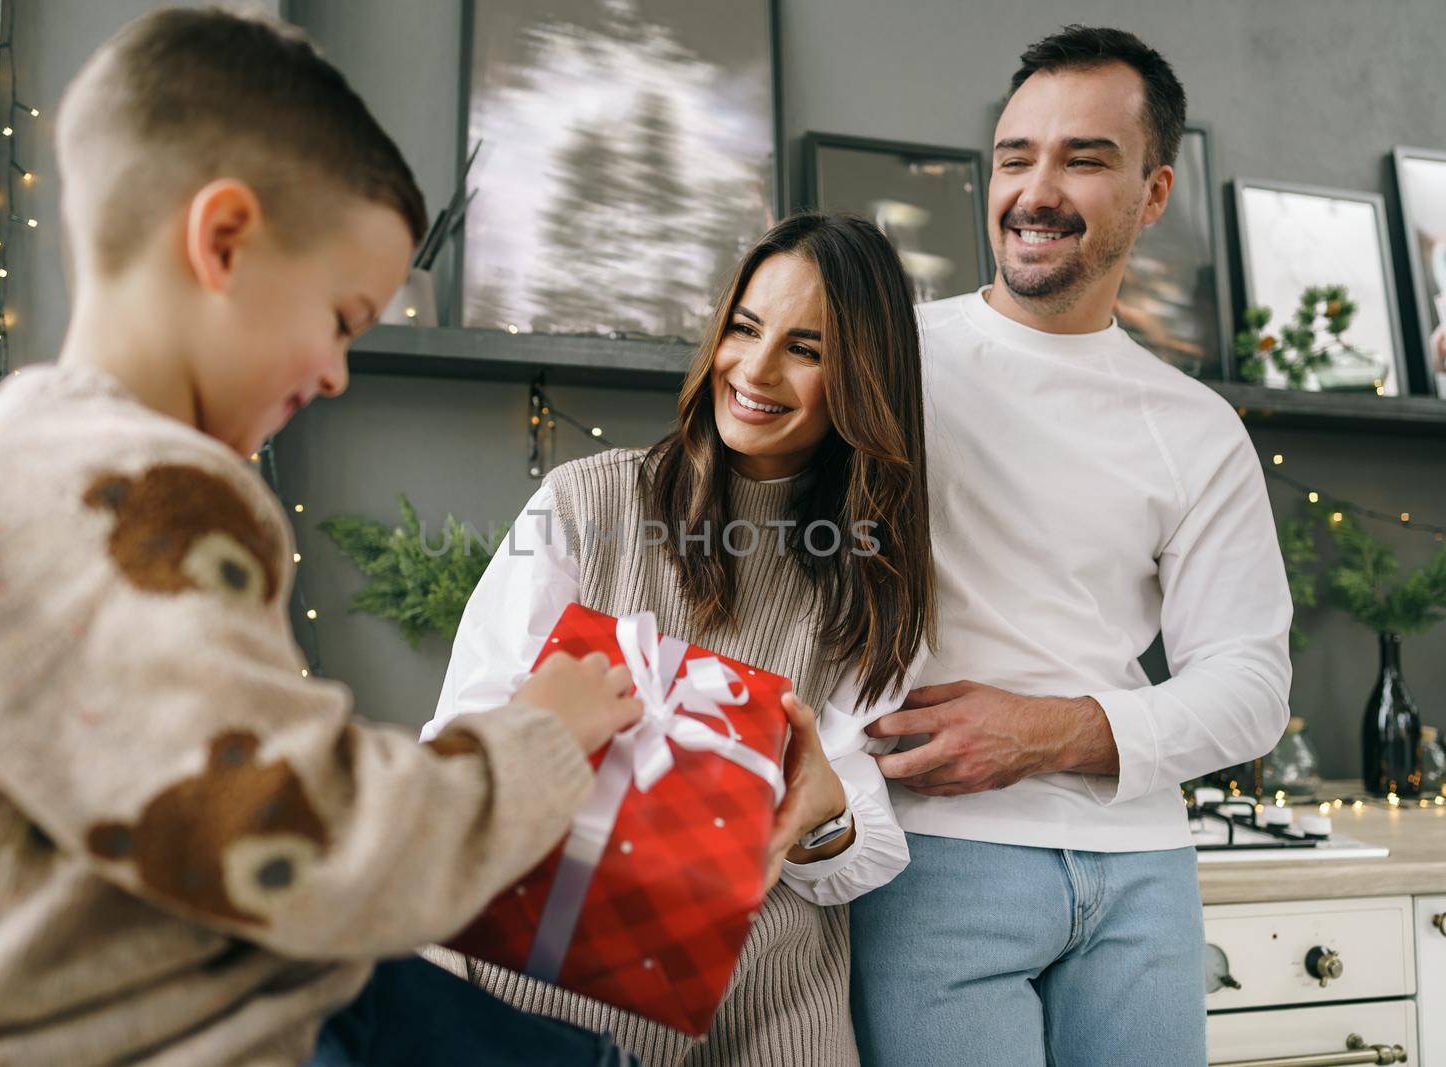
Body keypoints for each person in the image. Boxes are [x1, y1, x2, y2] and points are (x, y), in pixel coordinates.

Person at [0, 10, 644, 1066]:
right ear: (222, 241)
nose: (336, 371)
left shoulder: (34, 456)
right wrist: (542, 732)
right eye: (343, 316)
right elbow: (305, 841)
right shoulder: (127, 491)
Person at [850, 26, 1293, 1067]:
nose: (1035, 190)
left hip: (1145, 877)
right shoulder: (887, 362)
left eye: (1083, 158)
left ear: (1151, 192)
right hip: (932, 860)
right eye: (1015, 158)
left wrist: (1048, 731)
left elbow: (1250, 684)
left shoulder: (1193, 425)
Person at [421, 212, 937, 1066]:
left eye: (805, 349)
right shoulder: (587, 502)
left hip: (769, 991)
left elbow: (859, 851)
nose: (756, 369)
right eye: (744, 328)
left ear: (863, 378)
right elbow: (462, 735)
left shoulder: (875, 573)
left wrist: (819, 816)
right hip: (551, 968)